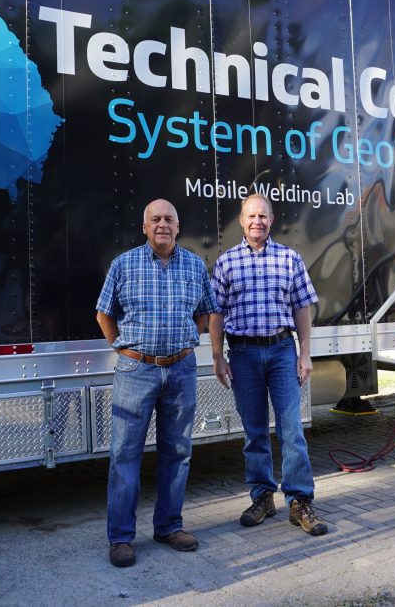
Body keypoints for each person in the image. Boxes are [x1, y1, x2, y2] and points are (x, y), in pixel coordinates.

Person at [96, 199, 217, 568]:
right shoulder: (124, 264)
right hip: (136, 371)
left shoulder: (195, 265)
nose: (162, 224)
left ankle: (168, 527)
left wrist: (183, 340)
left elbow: (206, 312)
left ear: (178, 227)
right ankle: (120, 538)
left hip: (181, 370)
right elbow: (104, 313)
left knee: (178, 452)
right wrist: (123, 347)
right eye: (155, 219)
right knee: (124, 455)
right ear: (144, 227)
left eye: (169, 219)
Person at [209, 193, 328, 536]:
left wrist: (304, 353)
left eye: (263, 215)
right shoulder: (227, 262)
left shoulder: (289, 259)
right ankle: (262, 496)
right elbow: (216, 314)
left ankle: (300, 501)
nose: (257, 221)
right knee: (255, 430)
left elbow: (302, 308)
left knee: (291, 428)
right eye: (251, 216)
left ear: (272, 220)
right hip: (243, 354)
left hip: (280, 351)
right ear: (242, 221)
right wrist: (218, 357)